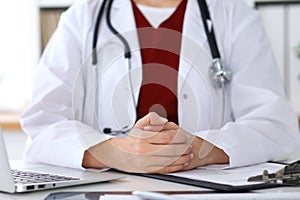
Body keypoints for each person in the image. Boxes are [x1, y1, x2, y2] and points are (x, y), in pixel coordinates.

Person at [21, 0, 300, 174]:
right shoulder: (81, 18)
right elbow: (43, 124)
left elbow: (276, 126)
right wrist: (118, 152)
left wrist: (197, 150)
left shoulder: (234, 15)